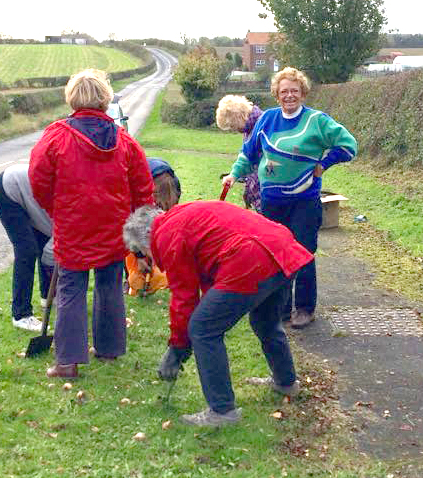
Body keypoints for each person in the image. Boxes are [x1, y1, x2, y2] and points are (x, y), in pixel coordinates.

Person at [123, 202, 313, 427]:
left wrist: (177, 347)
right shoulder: (181, 216)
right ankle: (286, 382)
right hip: (282, 246)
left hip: (252, 256)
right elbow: (206, 276)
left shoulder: (166, 236)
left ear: (146, 238)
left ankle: (222, 410)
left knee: (203, 329)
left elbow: (184, 298)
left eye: (140, 252)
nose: (144, 258)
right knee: (265, 322)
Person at [29, 69, 154, 378]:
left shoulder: (56, 136)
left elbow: (38, 180)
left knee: (71, 289)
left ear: (72, 98)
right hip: (114, 226)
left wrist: (54, 210)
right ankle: (109, 349)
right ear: (104, 98)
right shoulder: (124, 140)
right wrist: (135, 223)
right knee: (109, 285)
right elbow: (142, 186)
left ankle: (67, 361)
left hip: (73, 226)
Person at [222, 67, 357, 329]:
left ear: (303, 93)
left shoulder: (317, 121)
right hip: (271, 202)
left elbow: (349, 144)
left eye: (294, 91)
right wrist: (233, 175)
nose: (289, 96)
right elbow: (248, 154)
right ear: (276, 94)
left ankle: (305, 309)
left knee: (303, 254)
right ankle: (280, 308)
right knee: (274, 255)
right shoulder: (267, 120)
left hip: (304, 201)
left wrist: (325, 163)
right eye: (284, 91)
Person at [0, 163, 54, 332]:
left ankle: (47, 296)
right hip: (7, 190)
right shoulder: (71, 217)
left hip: (31, 198)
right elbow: (52, 253)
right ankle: (21, 314)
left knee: (45, 243)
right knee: (27, 250)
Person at [124, 157, 180, 297]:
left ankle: (154, 275)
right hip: (132, 210)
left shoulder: (174, 187)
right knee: (130, 241)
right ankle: (128, 279)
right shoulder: (137, 190)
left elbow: (168, 222)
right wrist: (139, 256)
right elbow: (131, 227)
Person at [215, 95, 264, 212]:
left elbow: (249, 157)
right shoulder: (250, 128)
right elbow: (246, 154)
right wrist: (234, 175)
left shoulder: (262, 125)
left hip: (269, 189)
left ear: (238, 117)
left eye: (232, 125)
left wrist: (235, 174)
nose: (234, 129)